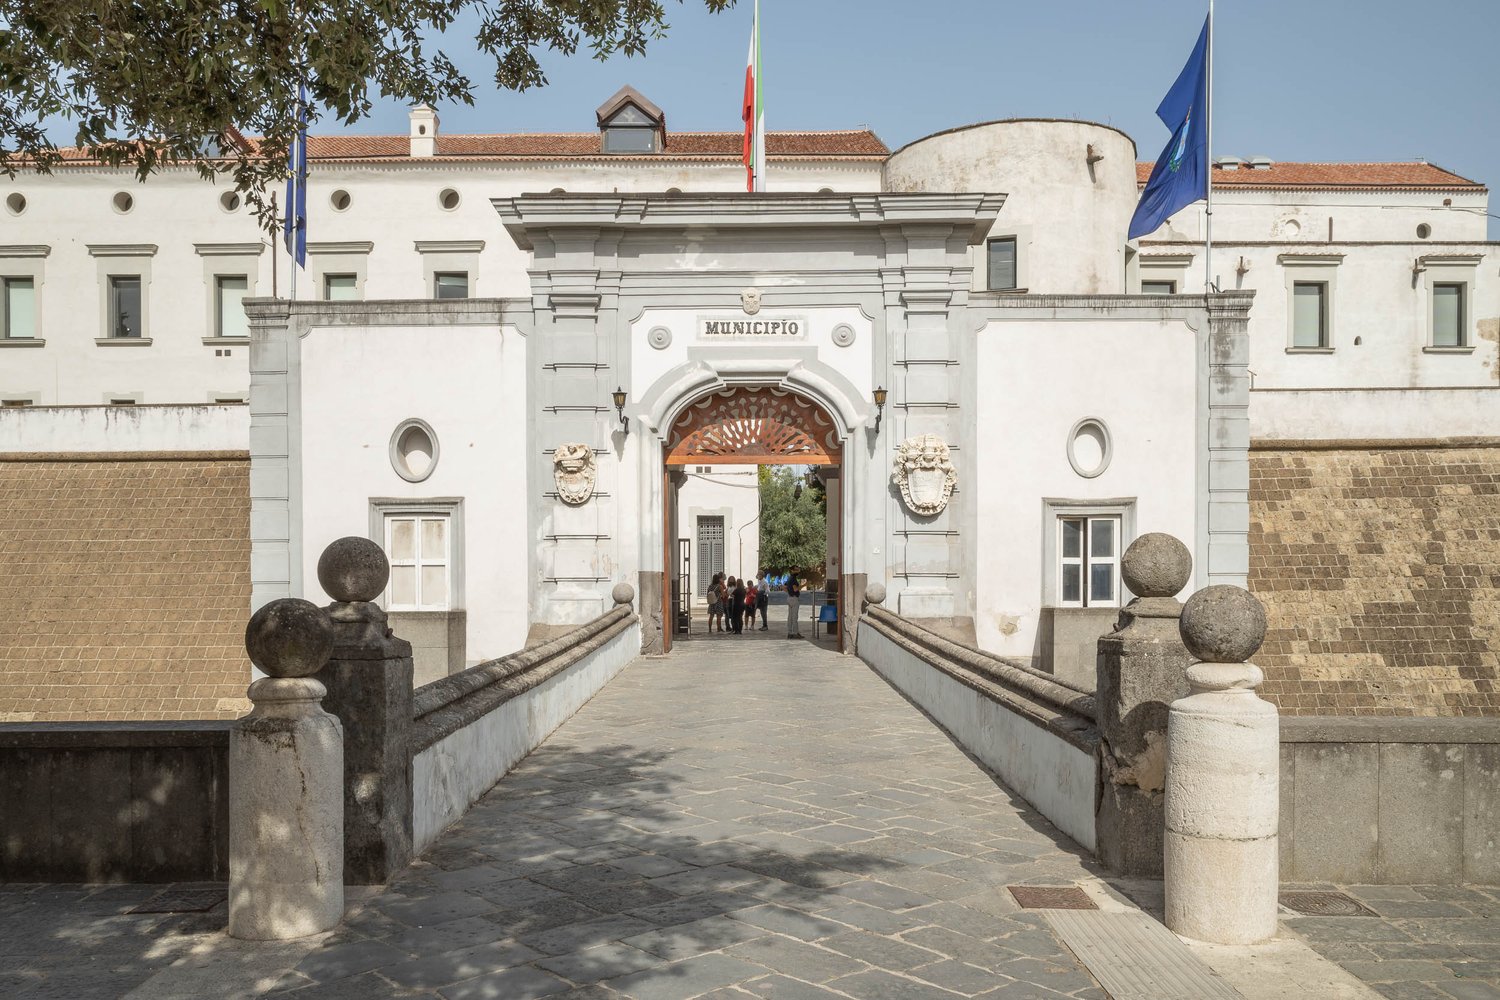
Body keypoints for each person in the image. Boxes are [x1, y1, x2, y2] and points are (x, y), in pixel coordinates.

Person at [785, 572, 802, 639]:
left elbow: (783, 587)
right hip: (794, 598)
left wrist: (789, 592)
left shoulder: (789, 579)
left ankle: (789, 633)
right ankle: (795, 633)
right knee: (794, 617)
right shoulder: (793, 579)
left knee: (790, 617)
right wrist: (805, 585)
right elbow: (795, 589)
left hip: (789, 598)